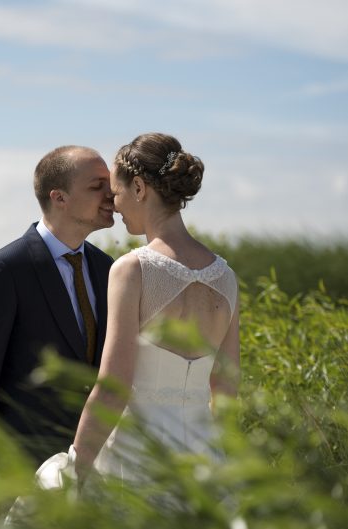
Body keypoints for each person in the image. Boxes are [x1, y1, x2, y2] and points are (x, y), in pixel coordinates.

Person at [67, 132, 241, 483]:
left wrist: (77, 467)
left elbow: (114, 383)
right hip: (205, 459)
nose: (114, 205)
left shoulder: (133, 269)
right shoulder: (226, 276)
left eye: (116, 193)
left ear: (140, 188)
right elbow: (226, 388)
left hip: (138, 455)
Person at [0, 145, 115, 464]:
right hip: (24, 464)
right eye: (96, 186)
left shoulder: (108, 268)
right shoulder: (5, 270)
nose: (111, 194)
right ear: (59, 197)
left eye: (110, 183)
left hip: (97, 460)